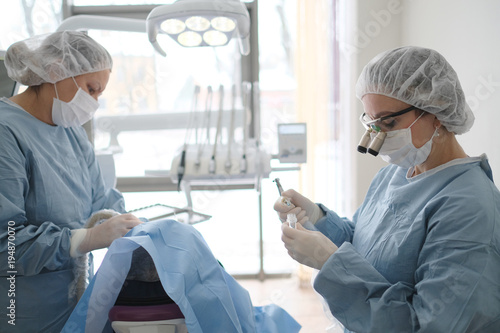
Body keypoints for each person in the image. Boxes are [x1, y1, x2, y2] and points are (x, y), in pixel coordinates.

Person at [274, 46, 500, 332]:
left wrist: (330, 262)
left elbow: (426, 325)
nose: (377, 137)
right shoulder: (393, 176)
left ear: (437, 110)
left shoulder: (469, 207)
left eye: (389, 122)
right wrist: (316, 217)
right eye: (372, 123)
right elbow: (365, 243)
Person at [0, 31, 142, 332]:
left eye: (99, 94)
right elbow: (5, 244)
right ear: (56, 71)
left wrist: (128, 226)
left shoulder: (71, 131)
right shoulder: (6, 133)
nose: (93, 103)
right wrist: (85, 239)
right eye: (91, 89)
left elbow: (99, 199)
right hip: (21, 313)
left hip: (74, 306)